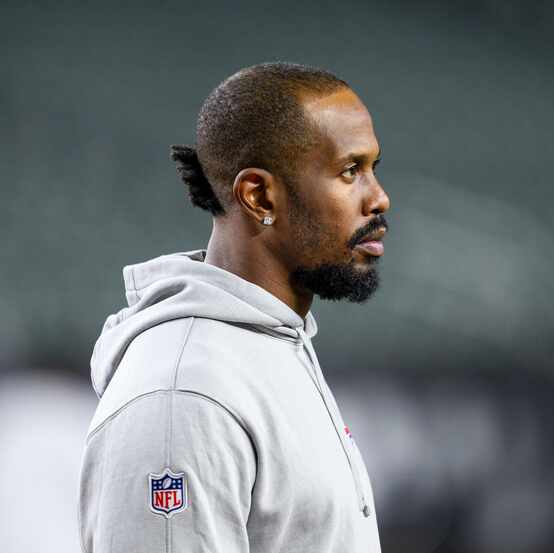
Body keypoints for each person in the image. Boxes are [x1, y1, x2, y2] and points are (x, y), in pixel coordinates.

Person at [78, 62, 390, 553]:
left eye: (373, 169)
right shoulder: (185, 394)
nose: (379, 199)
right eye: (350, 171)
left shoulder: (269, 345)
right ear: (259, 195)